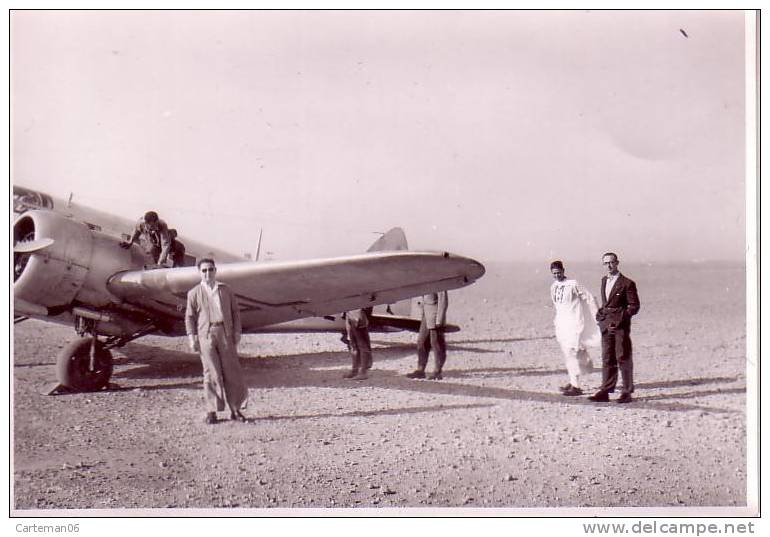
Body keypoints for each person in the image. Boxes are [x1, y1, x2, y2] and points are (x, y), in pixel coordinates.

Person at [185, 258, 248, 423]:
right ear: (199, 272)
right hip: (205, 335)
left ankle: (235, 410)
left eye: (210, 269)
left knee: (231, 371)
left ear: (215, 271)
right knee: (210, 372)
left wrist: (236, 332)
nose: (208, 273)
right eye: (204, 270)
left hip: (225, 333)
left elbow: (235, 312)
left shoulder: (225, 290)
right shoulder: (193, 293)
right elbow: (189, 318)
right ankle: (211, 411)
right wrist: (192, 338)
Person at [588, 252, 641, 404]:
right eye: (606, 263)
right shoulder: (604, 280)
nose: (609, 266)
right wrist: (601, 315)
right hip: (606, 326)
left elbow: (634, 307)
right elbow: (606, 303)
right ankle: (605, 390)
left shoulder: (627, 283)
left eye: (611, 262)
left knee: (623, 357)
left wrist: (619, 319)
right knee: (607, 358)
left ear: (617, 263)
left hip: (620, 327)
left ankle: (626, 392)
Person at [549, 260, 600, 396]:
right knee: (568, 354)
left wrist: (597, 314)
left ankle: (576, 386)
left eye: (559, 272)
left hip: (574, 323)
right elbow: (557, 306)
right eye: (554, 273)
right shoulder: (553, 286)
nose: (557, 275)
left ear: (563, 271)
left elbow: (589, 297)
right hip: (561, 324)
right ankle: (573, 381)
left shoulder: (573, 284)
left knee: (572, 353)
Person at [406, 291, 448, 380]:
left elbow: (443, 301)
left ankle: (437, 371)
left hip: (434, 316)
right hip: (426, 314)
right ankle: (420, 370)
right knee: (421, 342)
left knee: (436, 343)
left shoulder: (439, 278)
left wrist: (440, 319)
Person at [343, 308, 373, 380]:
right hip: (349, 313)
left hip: (358, 314)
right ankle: (355, 370)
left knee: (362, 344)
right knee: (353, 344)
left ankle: (363, 372)